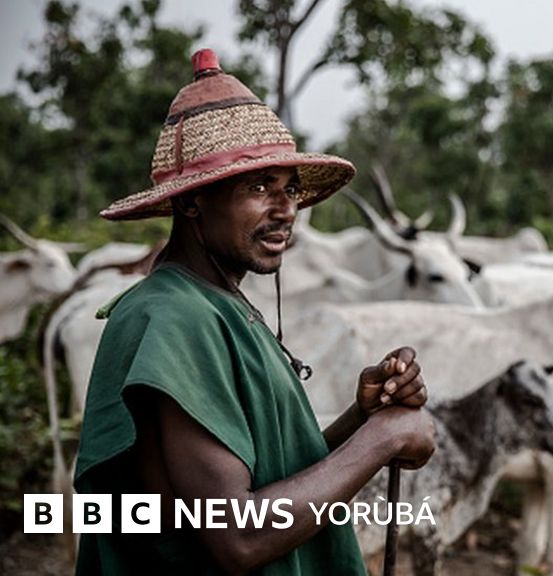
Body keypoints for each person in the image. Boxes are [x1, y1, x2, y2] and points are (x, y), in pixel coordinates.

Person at [73, 48, 435, 575]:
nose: (285, 210)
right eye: (258, 187)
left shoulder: (218, 303)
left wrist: (362, 420)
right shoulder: (172, 318)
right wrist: (385, 440)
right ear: (191, 202)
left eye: (290, 189)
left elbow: (260, 475)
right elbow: (238, 533)